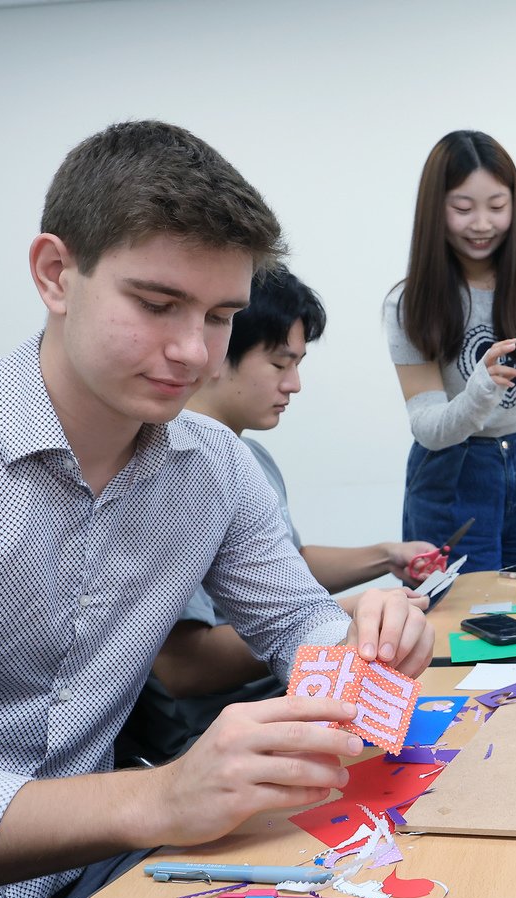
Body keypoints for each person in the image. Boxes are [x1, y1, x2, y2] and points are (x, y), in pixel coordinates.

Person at [0, 120, 432, 898]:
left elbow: (295, 626)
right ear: (55, 274)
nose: (194, 352)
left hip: (114, 874)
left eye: (220, 317)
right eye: (158, 304)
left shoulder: (217, 466)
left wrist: (363, 642)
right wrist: (160, 797)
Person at [118, 267, 436, 765]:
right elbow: (186, 666)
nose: (295, 384)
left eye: (299, 363)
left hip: (284, 694)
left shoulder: (247, 460)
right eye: (280, 363)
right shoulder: (167, 473)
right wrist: (348, 614)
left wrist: (384, 558)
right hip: (222, 729)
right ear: (219, 352)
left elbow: (288, 576)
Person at [384, 130, 516, 573]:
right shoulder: (408, 303)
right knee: (451, 629)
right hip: (449, 475)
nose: (481, 224)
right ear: (435, 210)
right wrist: (480, 390)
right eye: (462, 208)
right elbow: (427, 428)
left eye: (497, 206)